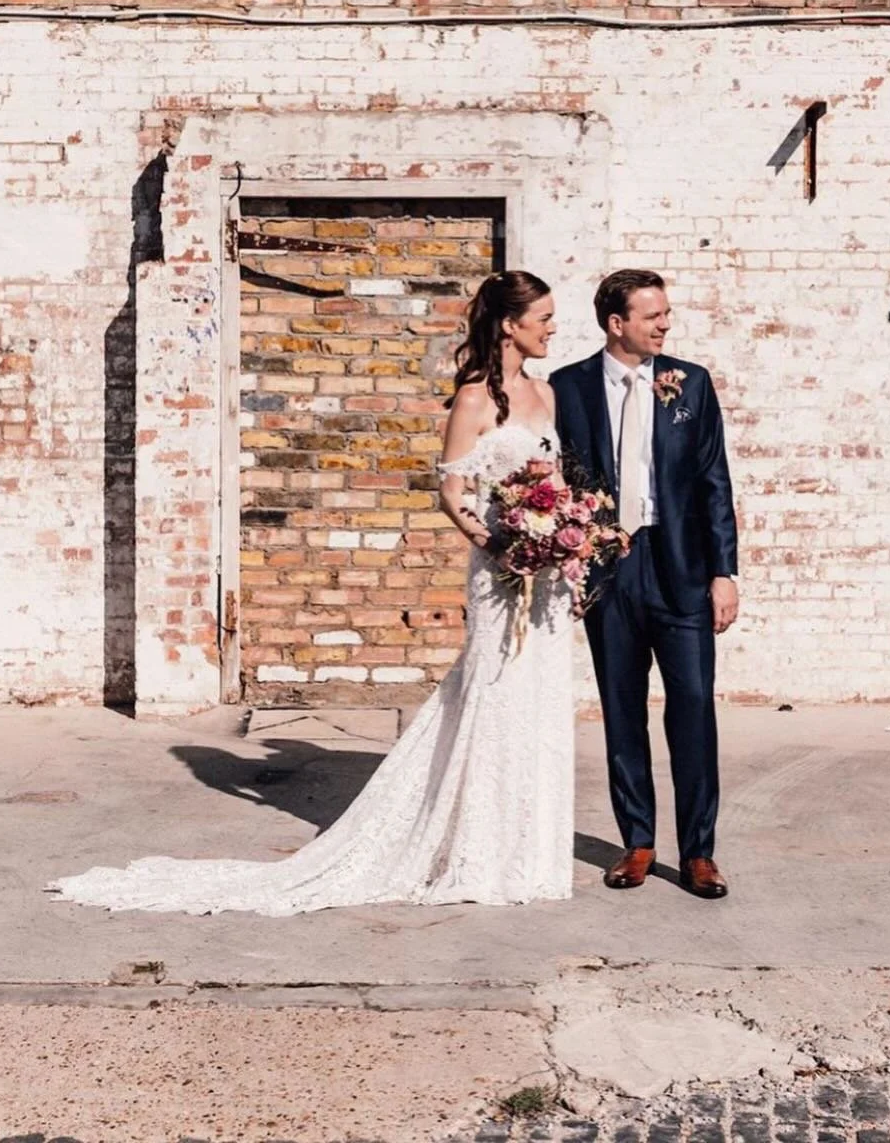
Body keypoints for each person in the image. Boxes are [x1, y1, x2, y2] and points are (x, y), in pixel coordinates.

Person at [47, 270, 575, 915]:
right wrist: (501, 547)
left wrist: (564, 537)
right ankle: (477, 845)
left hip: (546, 580)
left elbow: (557, 482)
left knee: (540, 701)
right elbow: (451, 493)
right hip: (500, 573)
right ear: (510, 324)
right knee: (494, 696)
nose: (552, 329)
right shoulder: (472, 400)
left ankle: (529, 848)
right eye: (543, 318)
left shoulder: (547, 394)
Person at [550, 269, 738, 900]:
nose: (665, 324)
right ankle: (637, 842)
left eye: (666, 314)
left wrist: (723, 572)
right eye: (653, 315)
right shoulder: (567, 387)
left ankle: (699, 853)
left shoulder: (691, 383)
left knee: (692, 707)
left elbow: (714, 483)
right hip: (608, 565)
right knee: (622, 708)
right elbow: (555, 477)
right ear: (616, 323)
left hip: (679, 562)